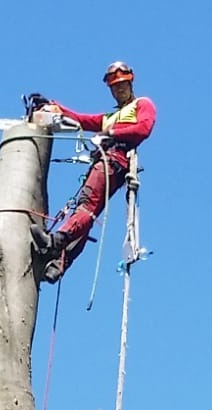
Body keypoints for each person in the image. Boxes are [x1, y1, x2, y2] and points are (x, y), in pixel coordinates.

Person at [29, 63, 156, 284]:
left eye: (121, 85)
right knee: (86, 209)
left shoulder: (142, 104)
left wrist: (112, 133)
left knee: (87, 206)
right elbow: (80, 119)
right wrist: (53, 106)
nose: (118, 90)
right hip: (104, 160)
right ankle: (59, 264)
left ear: (130, 82)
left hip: (115, 160)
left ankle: (56, 242)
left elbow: (143, 128)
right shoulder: (109, 116)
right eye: (114, 87)